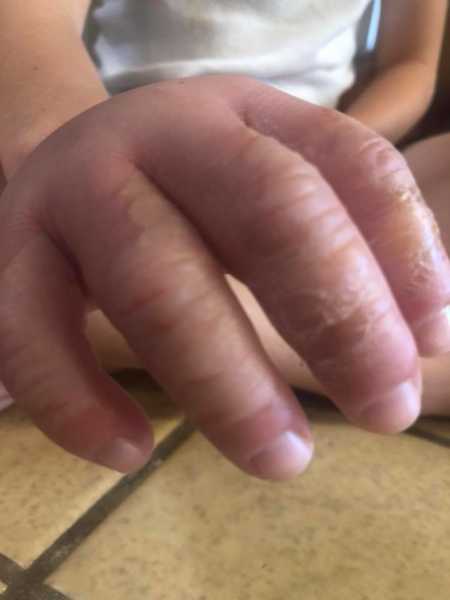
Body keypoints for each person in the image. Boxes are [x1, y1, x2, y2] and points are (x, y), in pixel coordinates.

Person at [0, 0, 448, 481]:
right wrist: (64, 138)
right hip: (114, 134)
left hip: (315, 159)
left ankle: (103, 312)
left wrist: (325, 157)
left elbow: (411, 65)